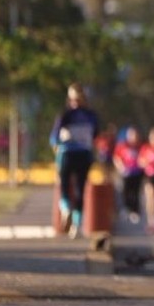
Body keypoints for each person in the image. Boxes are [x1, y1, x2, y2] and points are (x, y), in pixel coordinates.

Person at [49, 83, 100, 238]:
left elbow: (95, 133)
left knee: (79, 188)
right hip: (68, 153)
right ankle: (66, 209)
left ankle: (76, 223)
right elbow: (54, 136)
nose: (75, 103)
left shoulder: (90, 115)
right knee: (65, 184)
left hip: (82, 154)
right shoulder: (65, 115)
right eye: (73, 99)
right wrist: (57, 145)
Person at [113, 126, 144, 225]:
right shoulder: (122, 145)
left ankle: (135, 211)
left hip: (137, 172)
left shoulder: (140, 146)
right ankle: (126, 209)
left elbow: (144, 158)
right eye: (131, 134)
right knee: (126, 191)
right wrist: (121, 167)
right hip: (126, 172)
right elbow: (116, 157)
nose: (133, 137)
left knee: (135, 192)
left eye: (135, 134)